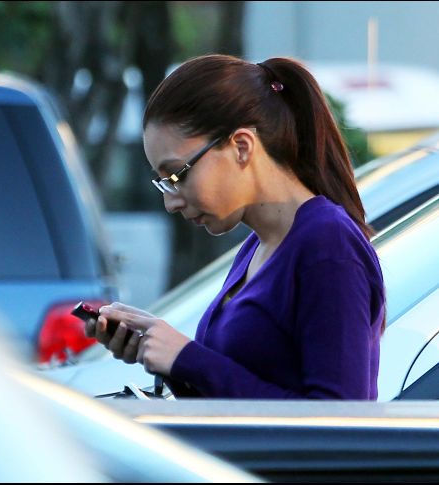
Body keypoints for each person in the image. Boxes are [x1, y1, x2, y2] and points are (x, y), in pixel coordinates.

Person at [86, 55, 386, 399]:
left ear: (241, 147)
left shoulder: (329, 245)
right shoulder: (257, 247)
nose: (171, 202)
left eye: (176, 175)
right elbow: (236, 399)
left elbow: (339, 424)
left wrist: (187, 359)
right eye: (163, 183)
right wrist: (161, 354)